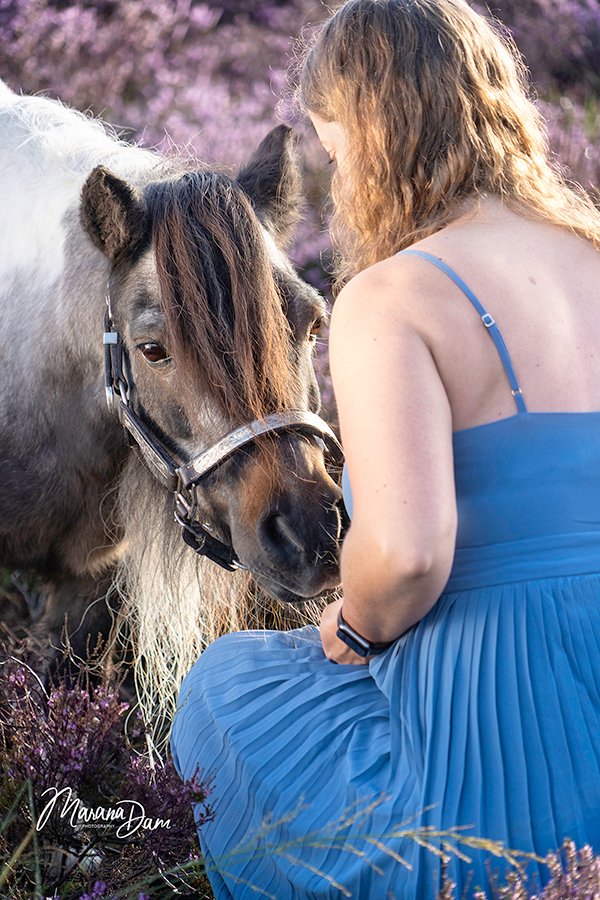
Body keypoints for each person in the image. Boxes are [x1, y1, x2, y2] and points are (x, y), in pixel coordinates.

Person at [171, 1, 600, 896]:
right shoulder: (591, 252)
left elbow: (407, 554)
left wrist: (352, 625)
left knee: (230, 690)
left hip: (502, 704)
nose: (335, 170)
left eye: (335, 145)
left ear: (376, 131)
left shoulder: (394, 296)